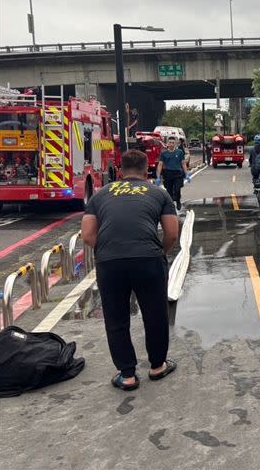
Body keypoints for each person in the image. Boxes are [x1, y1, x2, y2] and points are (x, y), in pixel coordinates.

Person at [81, 149, 179, 391]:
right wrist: (159, 253)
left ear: (120, 170)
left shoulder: (100, 195)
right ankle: (157, 366)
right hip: (148, 259)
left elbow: (87, 234)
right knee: (155, 314)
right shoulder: (158, 193)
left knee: (116, 318)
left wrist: (111, 251)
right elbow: (172, 233)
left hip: (109, 262)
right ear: (147, 170)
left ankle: (127, 375)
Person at [156, 136, 190, 211]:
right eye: (170, 143)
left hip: (178, 174)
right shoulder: (164, 153)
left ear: (176, 144)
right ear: (167, 143)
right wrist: (158, 177)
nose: (171, 144)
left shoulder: (179, 152)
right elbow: (160, 165)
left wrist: (187, 174)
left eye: (173, 143)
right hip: (168, 174)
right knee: (169, 191)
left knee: (177, 189)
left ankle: (178, 201)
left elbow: (183, 163)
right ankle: (171, 206)